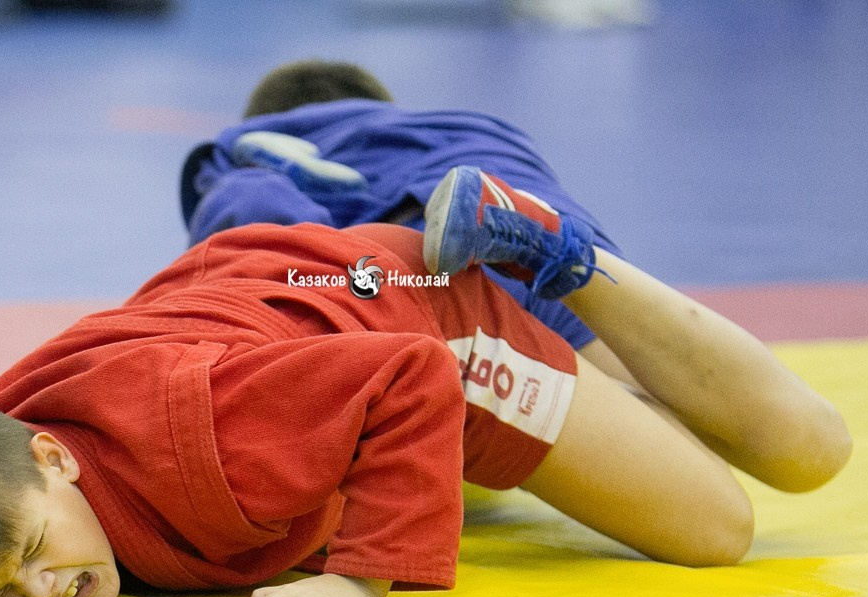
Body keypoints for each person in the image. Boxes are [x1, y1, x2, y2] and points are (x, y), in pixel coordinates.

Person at [0, 165, 851, 597]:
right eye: (1, 590)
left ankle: (551, 247)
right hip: (276, 302)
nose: (37, 588)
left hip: (416, 321)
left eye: (35, 551)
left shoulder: (210, 436)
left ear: (53, 455)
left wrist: (364, 580)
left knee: (753, 495)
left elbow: (407, 380)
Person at [180, 58, 639, 385]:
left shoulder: (239, 160)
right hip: (572, 263)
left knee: (256, 339)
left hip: (426, 286)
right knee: (662, 420)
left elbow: (255, 257)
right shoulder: (458, 131)